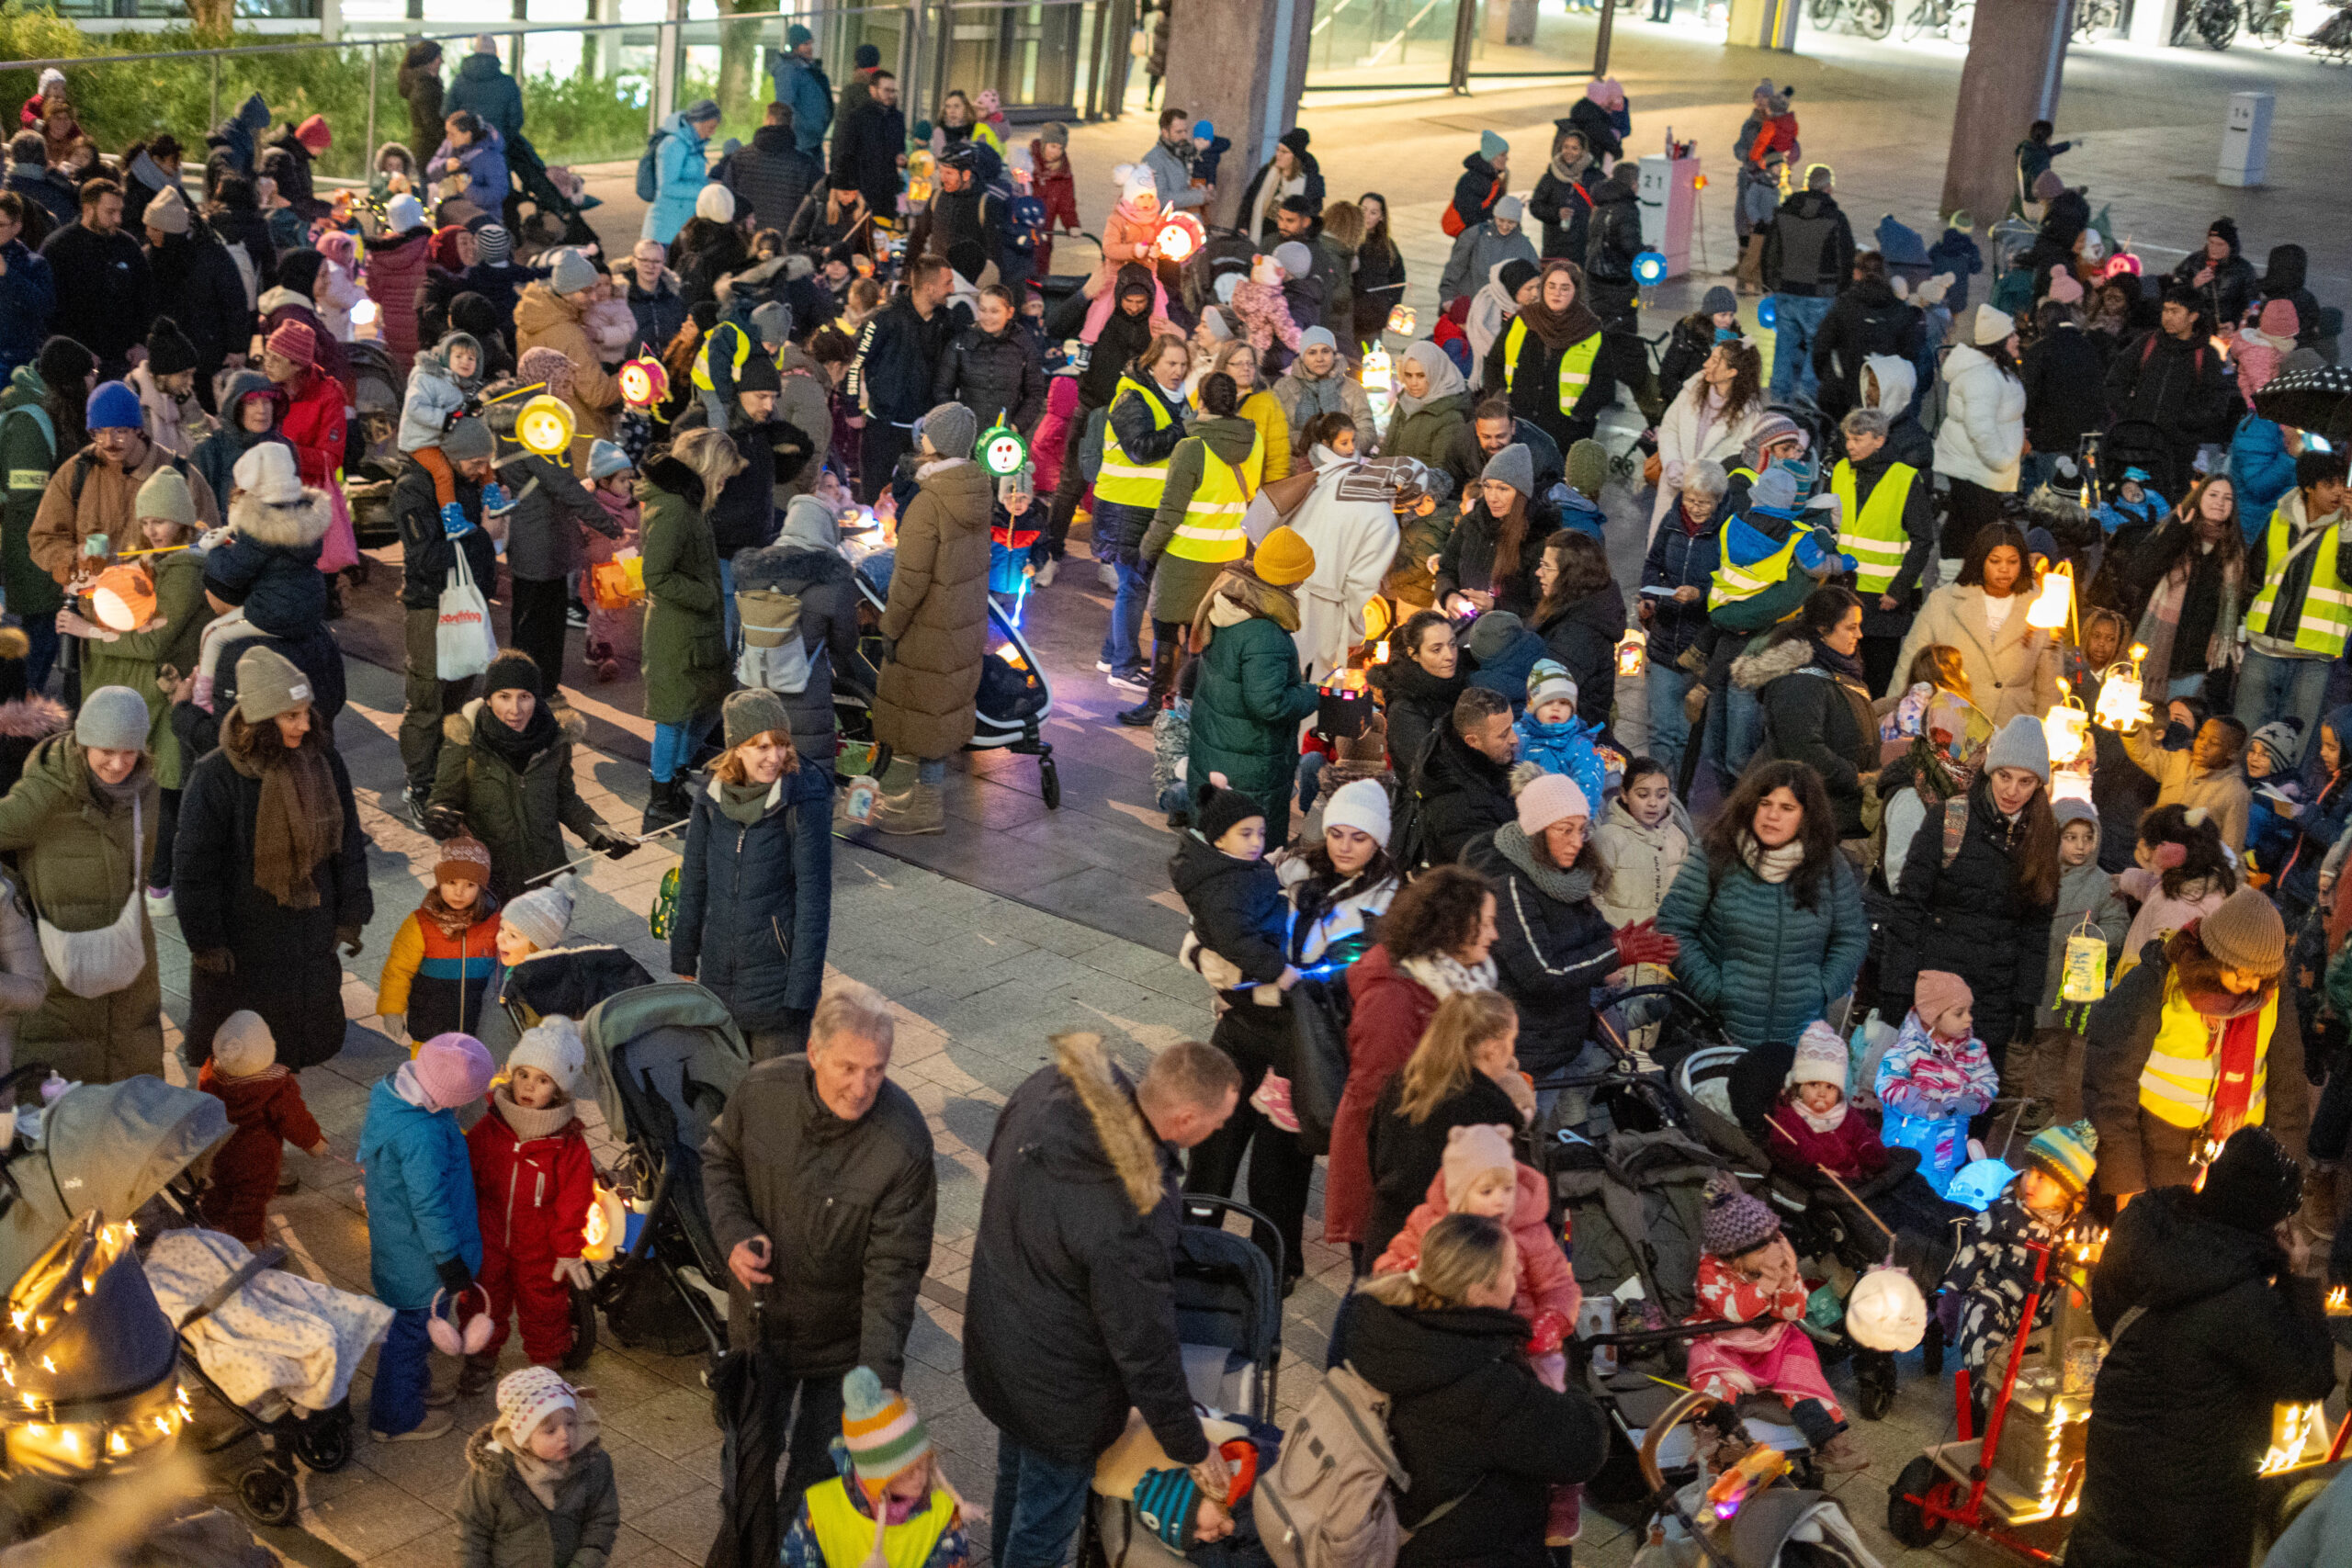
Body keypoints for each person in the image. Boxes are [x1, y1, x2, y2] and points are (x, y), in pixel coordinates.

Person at [964, 1034, 1238, 1568]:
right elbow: (1144, 1346)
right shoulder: (1134, 1210)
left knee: (1016, 1483)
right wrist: (1191, 1446)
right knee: (1041, 1534)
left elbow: (1001, 1158)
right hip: (1062, 1395)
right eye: (1219, 1120)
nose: (1221, 1131)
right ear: (1182, 1120)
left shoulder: (1050, 1086)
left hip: (999, 1346)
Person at [701, 974, 935, 1532]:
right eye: (848, 1068)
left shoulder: (902, 1144)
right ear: (812, 1052)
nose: (862, 1087)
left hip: (842, 1344)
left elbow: (894, 1275)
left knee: (815, 1483)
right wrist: (733, 1232)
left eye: (876, 1069)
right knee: (747, 1473)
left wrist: (878, 1389)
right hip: (761, 1327)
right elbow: (719, 1161)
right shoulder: (761, 1092)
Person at [2068, 1127, 2332, 1568]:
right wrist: (2299, 1279)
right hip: (2193, 1532)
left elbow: (2107, 1315)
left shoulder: (2143, 1245)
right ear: (2265, 1218)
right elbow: (2311, 1378)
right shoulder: (2242, 1304)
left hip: (2110, 1503)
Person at [1334, 1212, 1610, 1568]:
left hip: (1393, 1540)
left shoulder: (1377, 1332)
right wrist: (1563, 1366)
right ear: (1480, 1290)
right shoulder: (1486, 1385)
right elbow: (1583, 1447)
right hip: (1474, 1551)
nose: (1517, 1279)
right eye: (1510, 1271)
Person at [176, 647, 372, 1072]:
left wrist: (352, 909)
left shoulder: (324, 762)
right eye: (290, 715)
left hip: (311, 927)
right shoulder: (215, 776)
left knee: (305, 1027)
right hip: (246, 935)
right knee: (247, 1058)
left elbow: (347, 843)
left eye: (306, 712)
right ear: (260, 721)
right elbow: (195, 870)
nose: (304, 724)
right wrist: (206, 942)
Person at [1657, 761, 1867, 1120]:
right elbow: (1673, 926)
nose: (1772, 816)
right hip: (1720, 1033)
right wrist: (1712, 988)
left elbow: (1852, 936)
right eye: (1764, 804)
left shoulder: (1829, 866)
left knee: (1784, 1134)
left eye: (1787, 808)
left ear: (1806, 815)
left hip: (1797, 1040)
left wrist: (1822, 988)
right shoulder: (1716, 852)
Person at [2084, 886, 2307, 1208]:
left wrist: (2283, 1192)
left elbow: (2289, 1095)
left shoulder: (2272, 995)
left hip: (2233, 1166)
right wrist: (2126, 1183)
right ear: (2218, 955)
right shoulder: (2159, 982)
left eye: (2265, 975)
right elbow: (2109, 1085)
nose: (2256, 986)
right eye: (2246, 973)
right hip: (2155, 1158)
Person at [1171, 784, 1311, 1280]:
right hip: (1244, 1028)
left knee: (1278, 1169)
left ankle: (1274, 1264)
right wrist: (1220, 967)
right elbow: (1210, 934)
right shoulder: (1228, 879)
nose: (1256, 840)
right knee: (1214, 1148)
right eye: (1244, 833)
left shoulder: (1263, 870)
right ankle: (1192, 1248)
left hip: (1287, 1040)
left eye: (1260, 832)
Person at [1326, 865, 1498, 1258]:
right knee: (1378, 1298)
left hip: (1428, 1171)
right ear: (1452, 927)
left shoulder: (1460, 985)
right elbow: (1380, 1103)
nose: (1494, 935)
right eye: (1485, 924)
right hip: (1392, 1185)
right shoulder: (1394, 999)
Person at [1466, 772, 1671, 1092]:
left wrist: (1617, 938)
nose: (1576, 842)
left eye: (1582, 829)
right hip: (1526, 1048)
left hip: (1561, 1037)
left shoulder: (1564, 875)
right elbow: (1541, 972)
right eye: (1564, 830)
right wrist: (1615, 952)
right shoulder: (1509, 884)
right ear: (1536, 831)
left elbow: (1587, 927)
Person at [0, 684, 162, 1084]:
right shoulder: (46, 791)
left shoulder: (146, 792)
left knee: (127, 1076)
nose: (118, 763)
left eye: (129, 751)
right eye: (106, 750)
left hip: (127, 959)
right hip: (59, 965)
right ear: (84, 741)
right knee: (58, 1085)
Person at [670, 691, 835, 1055]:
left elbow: (814, 900)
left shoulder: (803, 800)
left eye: (780, 744)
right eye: (759, 746)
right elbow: (695, 877)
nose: (773, 756)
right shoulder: (711, 798)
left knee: (775, 1098)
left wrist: (802, 992)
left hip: (778, 992)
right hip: (719, 980)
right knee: (728, 1098)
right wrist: (684, 953)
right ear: (736, 749)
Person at [356, 1028, 492, 1440]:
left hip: (398, 1246)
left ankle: (410, 1391)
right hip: (421, 1260)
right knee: (411, 1334)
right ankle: (395, 1418)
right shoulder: (423, 1135)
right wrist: (449, 1258)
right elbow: (429, 1205)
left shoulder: (394, 1097)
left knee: (413, 1328)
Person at [1684, 1176, 1868, 1470]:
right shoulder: (1712, 1271)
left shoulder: (1777, 1250)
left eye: (1774, 1237)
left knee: (1801, 1369)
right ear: (1733, 1257)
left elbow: (1794, 1312)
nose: (1774, 1247)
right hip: (1725, 1342)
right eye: (1762, 1247)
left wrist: (1787, 1281)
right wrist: (1768, 1281)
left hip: (1773, 1338)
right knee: (1710, 1377)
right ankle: (1720, 1442)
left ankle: (1829, 1443)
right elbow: (1735, 1311)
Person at [868, 402, 991, 836]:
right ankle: (919, 799)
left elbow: (910, 581)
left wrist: (890, 626)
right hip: (962, 625)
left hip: (926, 628)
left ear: (935, 443)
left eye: (926, 434)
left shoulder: (928, 504)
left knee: (916, 714)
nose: (920, 440)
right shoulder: (976, 492)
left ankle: (921, 808)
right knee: (938, 714)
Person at [427, 650, 628, 902]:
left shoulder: (555, 739)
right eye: (504, 697)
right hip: (491, 883)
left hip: (546, 878)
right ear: (488, 699)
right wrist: (437, 817)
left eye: (525, 697)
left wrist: (600, 833)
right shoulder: (464, 741)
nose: (515, 709)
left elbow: (565, 800)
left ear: (536, 698)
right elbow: (442, 800)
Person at [461, 1016, 595, 1384]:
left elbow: (575, 1199)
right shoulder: (491, 1127)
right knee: (484, 1297)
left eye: (542, 1080)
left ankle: (546, 1359)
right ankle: (481, 1355)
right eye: (523, 1075)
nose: (528, 1087)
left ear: (559, 1089)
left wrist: (569, 1248)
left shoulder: (567, 1143)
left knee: (544, 1303)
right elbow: (466, 1173)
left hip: (540, 1242)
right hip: (490, 1235)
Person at [639, 430, 741, 830]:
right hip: (676, 634)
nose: (723, 483)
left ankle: (675, 783)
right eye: (722, 475)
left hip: (692, 632)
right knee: (673, 716)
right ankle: (659, 802)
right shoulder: (675, 509)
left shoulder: (687, 504)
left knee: (698, 708)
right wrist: (704, 595)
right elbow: (656, 575)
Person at [782, 1370, 971, 1568]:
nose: (920, 1477)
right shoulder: (820, 1507)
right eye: (906, 1472)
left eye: (924, 1463)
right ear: (876, 1478)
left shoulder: (943, 1512)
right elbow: (797, 1560)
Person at [730, 498, 862, 777]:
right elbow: (845, 643)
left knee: (759, 775)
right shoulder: (833, 581)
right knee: (809, 776)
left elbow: (736, 629)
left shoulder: (749, 574)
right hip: (806, 694)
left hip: (752, 687)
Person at [1091, 334, 1192, 692]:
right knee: (1133, 587)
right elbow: (1140, 449)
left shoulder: (1172, 399)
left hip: (1143, 505)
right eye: (1171, 364)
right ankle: (1124, 667)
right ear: (1153, 363)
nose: (1178, 371)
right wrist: (1182, 431)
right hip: (1124, 507)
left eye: (1183, 364)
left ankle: (1111, 654)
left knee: (1132, 587)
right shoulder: (1132, 398)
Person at [2236, 451, 2352, 762]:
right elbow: (2255, 575)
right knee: (2246, 735)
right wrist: (2239, 629)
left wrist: (2350, 529)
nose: (2339, 491)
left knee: (2296, 746)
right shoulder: (2277, 518)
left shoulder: (2348, 526)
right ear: (2308, 487)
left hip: (2315, 655)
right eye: (2330, 484)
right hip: (2263, 647)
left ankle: (2277, 804)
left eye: (2343, 483)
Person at [1741, 586, 1877, 851]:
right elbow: (1804, 751)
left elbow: (1838, 714)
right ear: (1823, 630)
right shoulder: (1799, 682)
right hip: (1813, 820)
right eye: (1851, 627)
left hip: (1832, 814)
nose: (1859, 635)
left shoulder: (1837, 666)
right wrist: (1858, 778)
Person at [1889, 523, 2057, 728]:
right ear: (1980, 561)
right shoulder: (1944, 602)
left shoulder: (2041, 606)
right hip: (1953, 726)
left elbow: (2049, 684)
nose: (2004, 569)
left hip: (2013, 728)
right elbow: (1909, 664)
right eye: (1995, 561)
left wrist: (2045, 736)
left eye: (2013, 562)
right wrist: (1896, 721)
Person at [456, 1368, 620, 1568]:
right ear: (523, 1439)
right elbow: (472, 1532)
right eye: (550, 1430)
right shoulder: (493, 1474)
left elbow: (601, 1522)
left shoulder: (594, 1465)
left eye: (570, 1423)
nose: (564, 1435)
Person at [194, 1010, 328, 1247]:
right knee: (250, 1201)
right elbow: (294, 1120)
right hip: (257, 1158)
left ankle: (209, 1227)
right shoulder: (276, 1085)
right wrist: (314, 1142)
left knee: (220, 1191)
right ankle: (248, 1244)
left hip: (221, 1150)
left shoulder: (210, 1075)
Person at [1832, 407, 1937, 694]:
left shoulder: (1904, 478)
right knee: (1842, 679)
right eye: (1848, 439)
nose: (1850, 445)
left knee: (1877, 680)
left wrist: (1899, 589)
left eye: (1857, 438)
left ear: (1879, 440)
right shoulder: (1841, 471)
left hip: (1884, 600)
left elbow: (1923, 539)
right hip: (1844, 591)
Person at [1636, 463, 1726, 780]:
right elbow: (1653, 562)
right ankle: (1659, 791)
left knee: (1685, 735)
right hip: (1664, 638)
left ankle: (1678, 796)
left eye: (1704, 502)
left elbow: (1731, 583)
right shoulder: (1672, 520)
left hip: (1700, 645)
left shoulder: (1728, 530)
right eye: (1690, 499)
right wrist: (1649, 595)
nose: (1695, 507)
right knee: (1661, 730)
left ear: (1718, 501)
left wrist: (1701, 594)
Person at [845, 259, 960, 505]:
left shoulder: (946, 322)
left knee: (919, 505)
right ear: (929, 287)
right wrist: (851, 406)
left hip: (924, 432)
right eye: (948, 283)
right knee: (874, 501)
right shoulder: (883, 319)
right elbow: (853, 363)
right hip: (883, 429)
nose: (952, 289)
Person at [2105, 287, 2234, 499]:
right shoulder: (2147, 343)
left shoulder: (2206, 355)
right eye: (2165, 310)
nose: (2168, 317)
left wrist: (2183, 423)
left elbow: (2217, 404)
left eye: (2175, 311)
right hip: (2136, 450)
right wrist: (2132, 414)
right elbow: (2115, 381)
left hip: (2177, 458)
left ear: (2193, 316)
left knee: (2168, 513)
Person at [376, 832, 502, 1051]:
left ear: (481, 887)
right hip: (431, 1025)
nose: (459, 892)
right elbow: (398, 969)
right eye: (451, 882)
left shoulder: (495, 923)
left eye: (470, 885)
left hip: (480, 1026)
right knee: (429, 1079)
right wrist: (392, 1009)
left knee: (477, 1080)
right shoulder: (421, 923)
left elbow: (513, 964)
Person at [1483, 261, 1618, 457]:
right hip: (1518, 426)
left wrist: (1579, 415)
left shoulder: (1591, 332)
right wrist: (1500, 398)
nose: (1557, 293)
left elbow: (1604, 385)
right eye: (1551, 286)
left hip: (1565, 435)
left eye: (1565, 288)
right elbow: (1494, 363)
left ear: (1576, 291)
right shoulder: (1521, 322)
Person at [1933, 306, 2028, 558]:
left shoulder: (1991, 370)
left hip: (1974, 468)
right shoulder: (1983, 377)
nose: (2017, 338)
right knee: (1978, 531)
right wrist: (2003, 460)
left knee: (1961, 523)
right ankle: (1968, 581)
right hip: (1978, 470)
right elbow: (1981, 428)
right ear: (1998, 341)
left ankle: (1955, 578)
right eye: (2011, 335)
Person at [1650, 336, 1764, 539]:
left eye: (1715, 360)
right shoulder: (1692, 389)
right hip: (1672, 486)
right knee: (1659, 549)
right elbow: (1670, 427)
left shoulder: (1749, 413)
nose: (1705, 364)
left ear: (1732, 372)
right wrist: (1672, 463)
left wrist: (1695, 475)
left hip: (1706, 500)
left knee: (1690, 554)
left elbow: (1738, 457)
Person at [1757, 164, 1853, 402]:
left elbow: (1769, 252)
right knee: (1816, 344)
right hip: (1819, 294)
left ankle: (1779, 395)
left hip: (1786, 290)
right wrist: (1840, 289)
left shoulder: (1785, 212)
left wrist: (1771, 283)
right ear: (1828, 188)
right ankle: (1807, 395)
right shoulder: (1835, 218)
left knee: (1784, 343)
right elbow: (1845, 257)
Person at [39, 180, 148, 380]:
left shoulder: (128, 246)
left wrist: (141, 343)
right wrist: (76, 351)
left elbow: (146, 300)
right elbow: (50, 309)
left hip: (123, 360)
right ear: (89, 209)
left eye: (120, 211)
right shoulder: (59, 247)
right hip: (75, 365)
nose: (118, 218)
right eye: (110, 212)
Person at [514, 252, 625, 449]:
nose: (593, 298)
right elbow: (596, 394)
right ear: (565, 290)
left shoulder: (531, 320)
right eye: (584, 291)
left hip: (548, 431)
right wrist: (629, 377)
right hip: (582, 436)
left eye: (594, 289)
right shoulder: (569, 334)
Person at [1435, 443, 1557, 620]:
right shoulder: (1472, 522)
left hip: (1504, 638)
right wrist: (1449, 595)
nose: (1492, 497)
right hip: (1461, 630)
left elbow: (1541, 608)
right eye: (1487, 486)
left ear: (1521, 493)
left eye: (1502, 488)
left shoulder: (1539, 537)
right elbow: (1446, 569)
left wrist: (1495, 606)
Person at [1808, 252, 1922, 421]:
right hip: (1881, 399)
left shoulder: (1843, 305)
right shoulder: (1900, 311)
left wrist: (1828, 376)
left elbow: (1821, 347)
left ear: (1857, 273)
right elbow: (1910, 356)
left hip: (1839, 394)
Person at [1528, 529, 1624, 723]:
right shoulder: (1579, 609)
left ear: (1570, 576)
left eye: (1547, 567)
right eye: (1541, 564)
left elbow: (1550, 700)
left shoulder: (1577, 635)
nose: (1539, 573)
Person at [2122, 712, 2252, 855]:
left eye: (2214, 743)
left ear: (2231, 753)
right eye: (2201, 737)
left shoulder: (2235, 792)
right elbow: (2144, 755)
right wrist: (2131, 728)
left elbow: (2231, 848)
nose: (2203, 745)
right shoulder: (2179, 761)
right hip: (2153, 858)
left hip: (2189, 870)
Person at [1417, 686, 1520, 864]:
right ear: (1473, 741)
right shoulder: (1456, 805)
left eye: (1512, 727)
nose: (1515, 739)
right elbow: (1490, 868)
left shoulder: (1491, 767)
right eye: (1503, 735)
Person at [1271, 327, 1374, 454]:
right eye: (1312, 352)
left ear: (1334, 353)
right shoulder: (1284, 388)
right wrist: (1309, 445)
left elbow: (1367, 432)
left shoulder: (1353, 389)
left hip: (1344, 463)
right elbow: (1278, 433)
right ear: (1302, 356)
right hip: (1298, 465)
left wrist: (1340, 446)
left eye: (1325, 351)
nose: (1320, 358)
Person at [830, 72, 907, 227]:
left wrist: (901, 158)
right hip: (862, 189)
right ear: (873, 90)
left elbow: (900, 148)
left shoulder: (897, 118)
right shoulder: (858, 117)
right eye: (886, 90)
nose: (891, 95)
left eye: (893, 91)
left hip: (886, 191)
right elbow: (845, 154)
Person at [645, 99, 723, 246]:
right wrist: (705, 189)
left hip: (680, 227)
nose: (713, 132)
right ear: (699, 121)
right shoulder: (674, 144)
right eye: (711, 127)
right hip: (665, 231)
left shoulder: (693, 144)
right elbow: (667, 187)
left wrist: (708, 184)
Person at [768, 25, 834, 159]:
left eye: (810, 43)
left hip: (813, 142)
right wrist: (802, 130)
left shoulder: (808, 69)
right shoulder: (788, 71)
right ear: (795, 46)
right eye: (805, 44)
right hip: (801, 144)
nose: (810, 48)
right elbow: (784, 107)